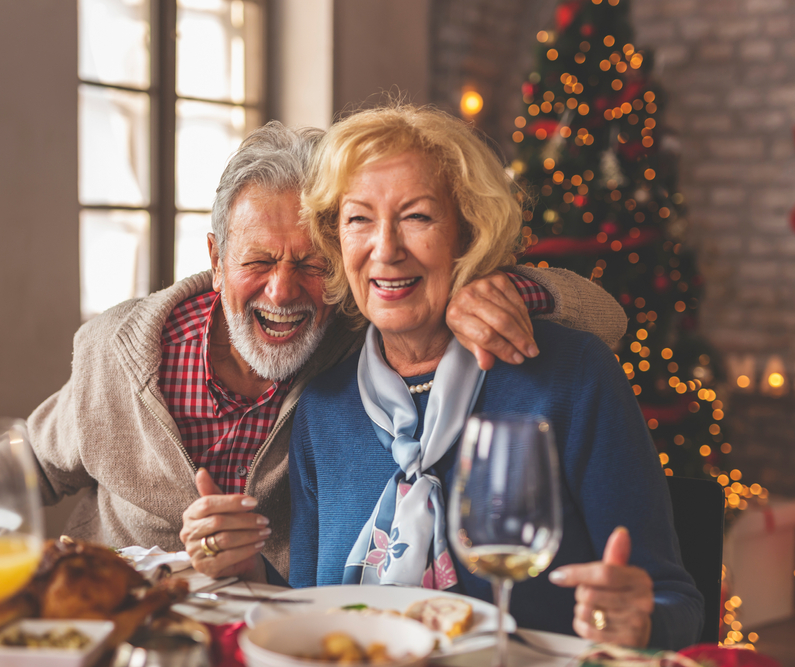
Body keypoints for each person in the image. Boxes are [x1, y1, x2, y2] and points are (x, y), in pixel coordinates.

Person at [0, 121, 625, 584]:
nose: (284, 289)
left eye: (310, 261)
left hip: (272, 625)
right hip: (121, 625)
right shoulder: (120, 352)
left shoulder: (358, 345)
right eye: (259, 260)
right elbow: (34, 459)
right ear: (214, 255)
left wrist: (494, 288)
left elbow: (604, 317)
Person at [288, 104, 703, 649]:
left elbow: (675, 601)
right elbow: (304, 617)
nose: (385, 249)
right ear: (336, 241)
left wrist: (638, 619)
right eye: (358, 219)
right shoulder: (321, 408)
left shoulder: (571, 377)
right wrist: (236, 562)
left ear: (468, 233)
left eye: (417, 216)